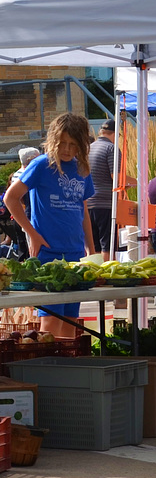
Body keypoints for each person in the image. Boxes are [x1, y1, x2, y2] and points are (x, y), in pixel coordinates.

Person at [4, 113, 95, 337]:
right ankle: (52, 367)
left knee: (72, 325)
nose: (66, 149)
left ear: (81, 146)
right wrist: (32, 234)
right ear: (53, 140)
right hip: (48, 254)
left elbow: (83, 209)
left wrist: (91, 249)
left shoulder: (82, 168)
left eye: (73, 144)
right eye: (62, 143)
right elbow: (10, 198)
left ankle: (68, 368)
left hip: (75, 254)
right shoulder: (42, 164)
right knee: (51, 326)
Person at [87, 118, 134, 261]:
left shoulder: (89, 148)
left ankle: (94, 275)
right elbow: (117, 178)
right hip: (106, 203)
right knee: (107, 246)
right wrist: (139, 182)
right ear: (115, 134)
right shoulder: (112, 149)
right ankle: (106, 276)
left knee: (92, 246)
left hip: (88, 203)